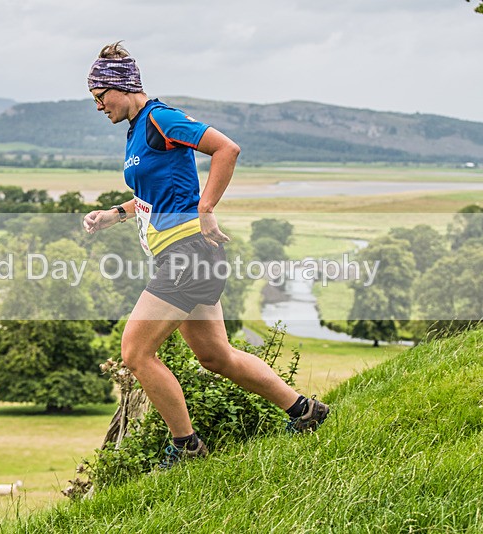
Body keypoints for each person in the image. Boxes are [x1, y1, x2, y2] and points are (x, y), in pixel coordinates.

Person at [82, 42, 329, 468]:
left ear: (121, 87)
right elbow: (154, 193)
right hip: (184, 256)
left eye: (100, 96)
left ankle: (186, 447)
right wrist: (115, 214)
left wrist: (207, 208)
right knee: (216, 356)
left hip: (188, 253)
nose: (99, 106)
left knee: (135, 353)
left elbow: (226, 149)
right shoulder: (137, 129)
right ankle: (304, 412)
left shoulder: (159, 117)